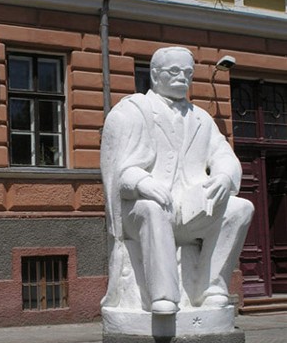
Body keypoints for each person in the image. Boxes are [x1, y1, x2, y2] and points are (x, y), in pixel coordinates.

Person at [101, 46, 254, 315]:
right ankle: (163, 297)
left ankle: (212, 288)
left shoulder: (201, 118)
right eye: (174, 71)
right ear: (155, 74)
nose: (182, 78)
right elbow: (118, 171)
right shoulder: (135, 111)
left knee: (240, 208)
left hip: (189, 207)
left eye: (188, 72)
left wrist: (223, 176)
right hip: (140, 211)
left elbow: (224, 155)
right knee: (153, 207)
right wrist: (143, 183)